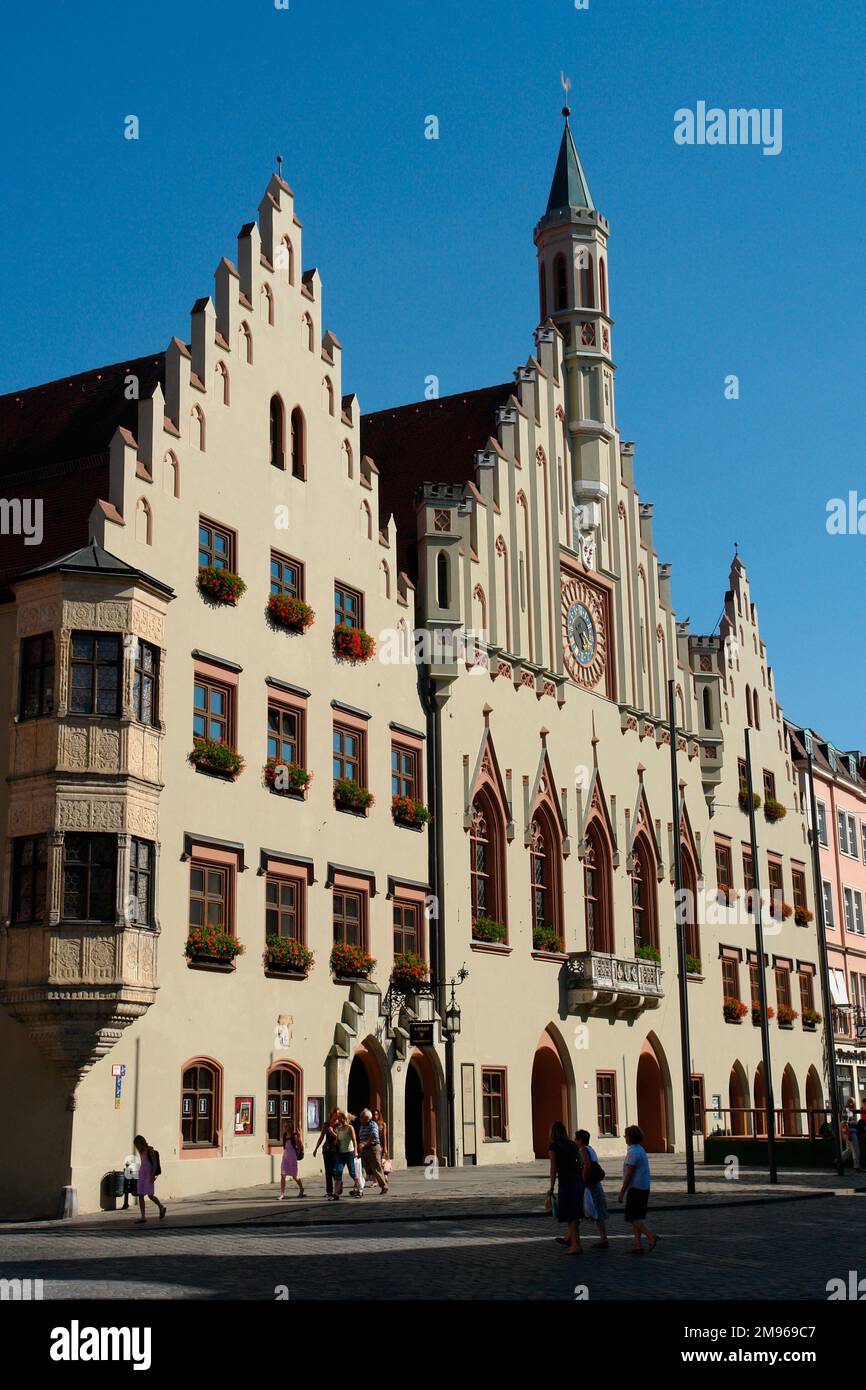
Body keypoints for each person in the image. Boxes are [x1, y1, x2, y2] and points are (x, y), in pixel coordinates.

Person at [619, 1124, 658, 1254]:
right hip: (643, 1186)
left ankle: (650, 1236)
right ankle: (637, 1244)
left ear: (630, 1137)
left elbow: (629, 1174)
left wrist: (622, 1191)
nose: (624, 1137)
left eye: (625, 1135)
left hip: (636, 1188)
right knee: (637, 1217)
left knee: (632, 1217)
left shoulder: (633, 1153)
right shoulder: (640, 1149)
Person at [547, 1120, 583, 1254]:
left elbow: (553, 1168)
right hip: (577, 1181)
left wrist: (551, 1187)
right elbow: (581, 1161)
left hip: (566, 1183)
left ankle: (576, 1245)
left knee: (570, 1215)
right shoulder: (573, 1145)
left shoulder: (554, 1147)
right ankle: (574, 1242)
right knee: (575, 1213)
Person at [575, 1129, 609, 1248]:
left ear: (580, 1140)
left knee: (589, 1208)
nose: (575, 1141)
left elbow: (587, 1165)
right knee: (583, 1209)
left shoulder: (583, 1149)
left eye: (576, 1139)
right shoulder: (591, 1148)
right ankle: (569, 1236)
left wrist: (582, 1182)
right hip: (595, 1182)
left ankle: (604, 1239)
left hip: (590, 1184)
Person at [133, 1134, 166, 1224]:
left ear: (141, 1142)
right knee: (140, 1195)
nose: (136, 1147)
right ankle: (143, 1216)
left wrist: (152, 1176)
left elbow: (154, 1163)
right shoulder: (141, 1151)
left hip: (149, 1174)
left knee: (150, 1195)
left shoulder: (149, 1150)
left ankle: (161, 1207)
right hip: (142, 1174)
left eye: (137, 1144)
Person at [357, 1108, 389, 1193]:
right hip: (364, 1150)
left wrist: (364, 1143)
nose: (359, 1118)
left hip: (373, 1148)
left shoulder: (373, 1124)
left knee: (376, 1168)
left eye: (361, 1117)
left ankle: (384, 1186)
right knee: (361, 1169)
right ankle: (359, 1189)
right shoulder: (362, 1125)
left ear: (367, 1118)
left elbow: (374, 1135)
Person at [333, 1110, 361, 1198]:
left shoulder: (350, 1128)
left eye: (343, 1118)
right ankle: (336, 1193)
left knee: (352, 1173)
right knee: (338, 1171)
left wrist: (355, 1151)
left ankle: (360, 1189)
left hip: (349, 1153)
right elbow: (337, 1141)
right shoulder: (339, 1129)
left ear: (347, 1119)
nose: (341, 1120)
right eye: (340, 1118)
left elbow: (354, 1140)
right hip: (340, 1153)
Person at [314, 1108, 340, 1198]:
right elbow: (321, 1137)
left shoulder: (339, 1125)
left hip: (336, 1149)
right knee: (327, 1171)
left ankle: (339, 1184)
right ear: (332, 1114)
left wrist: (332, 1132)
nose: (337, 1115)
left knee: (333, 1170)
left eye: (338, 1114)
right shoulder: (326, 1124)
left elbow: (340, 1138)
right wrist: (316, 1148)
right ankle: (329, 1191)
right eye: (336, 1114)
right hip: (326, 1150)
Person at [279, 1119, 305, 1199]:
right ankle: (282, 1194)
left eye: (286, 1126)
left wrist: (296, 1155)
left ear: (290, 1127)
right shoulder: (284, 1135)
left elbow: (299, 1146)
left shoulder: (294, 1136)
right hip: (285, 1157)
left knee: (294, 1176)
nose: (285, 1128)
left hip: (292, 1157)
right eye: (284, 1126)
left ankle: (301, 1189)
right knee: (283, 1174)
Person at [372, 1107, 390, 1178]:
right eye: (374, 1115)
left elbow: (384, 1136)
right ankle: (376, 1179)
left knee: (382, 1161)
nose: (375, 1116)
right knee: (375, 1162)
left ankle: (385, 1175)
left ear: (379, 1115)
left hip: (381, 1144)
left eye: (376, 1114)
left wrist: (385, 1147)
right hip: (373, 1145)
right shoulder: (371, 1124)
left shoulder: (383, 1124)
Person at [844, 1098, 861, 1170]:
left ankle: (838, 1161)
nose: (854, 1105)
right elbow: (845, 1123)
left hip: (850, 1132)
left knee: (849, 1150)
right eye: (853, 1103)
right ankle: (857, 1166)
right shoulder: (848, 1111)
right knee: (856, 1150)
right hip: (851, 1132)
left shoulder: (848, 1111)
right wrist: (849, 1134)